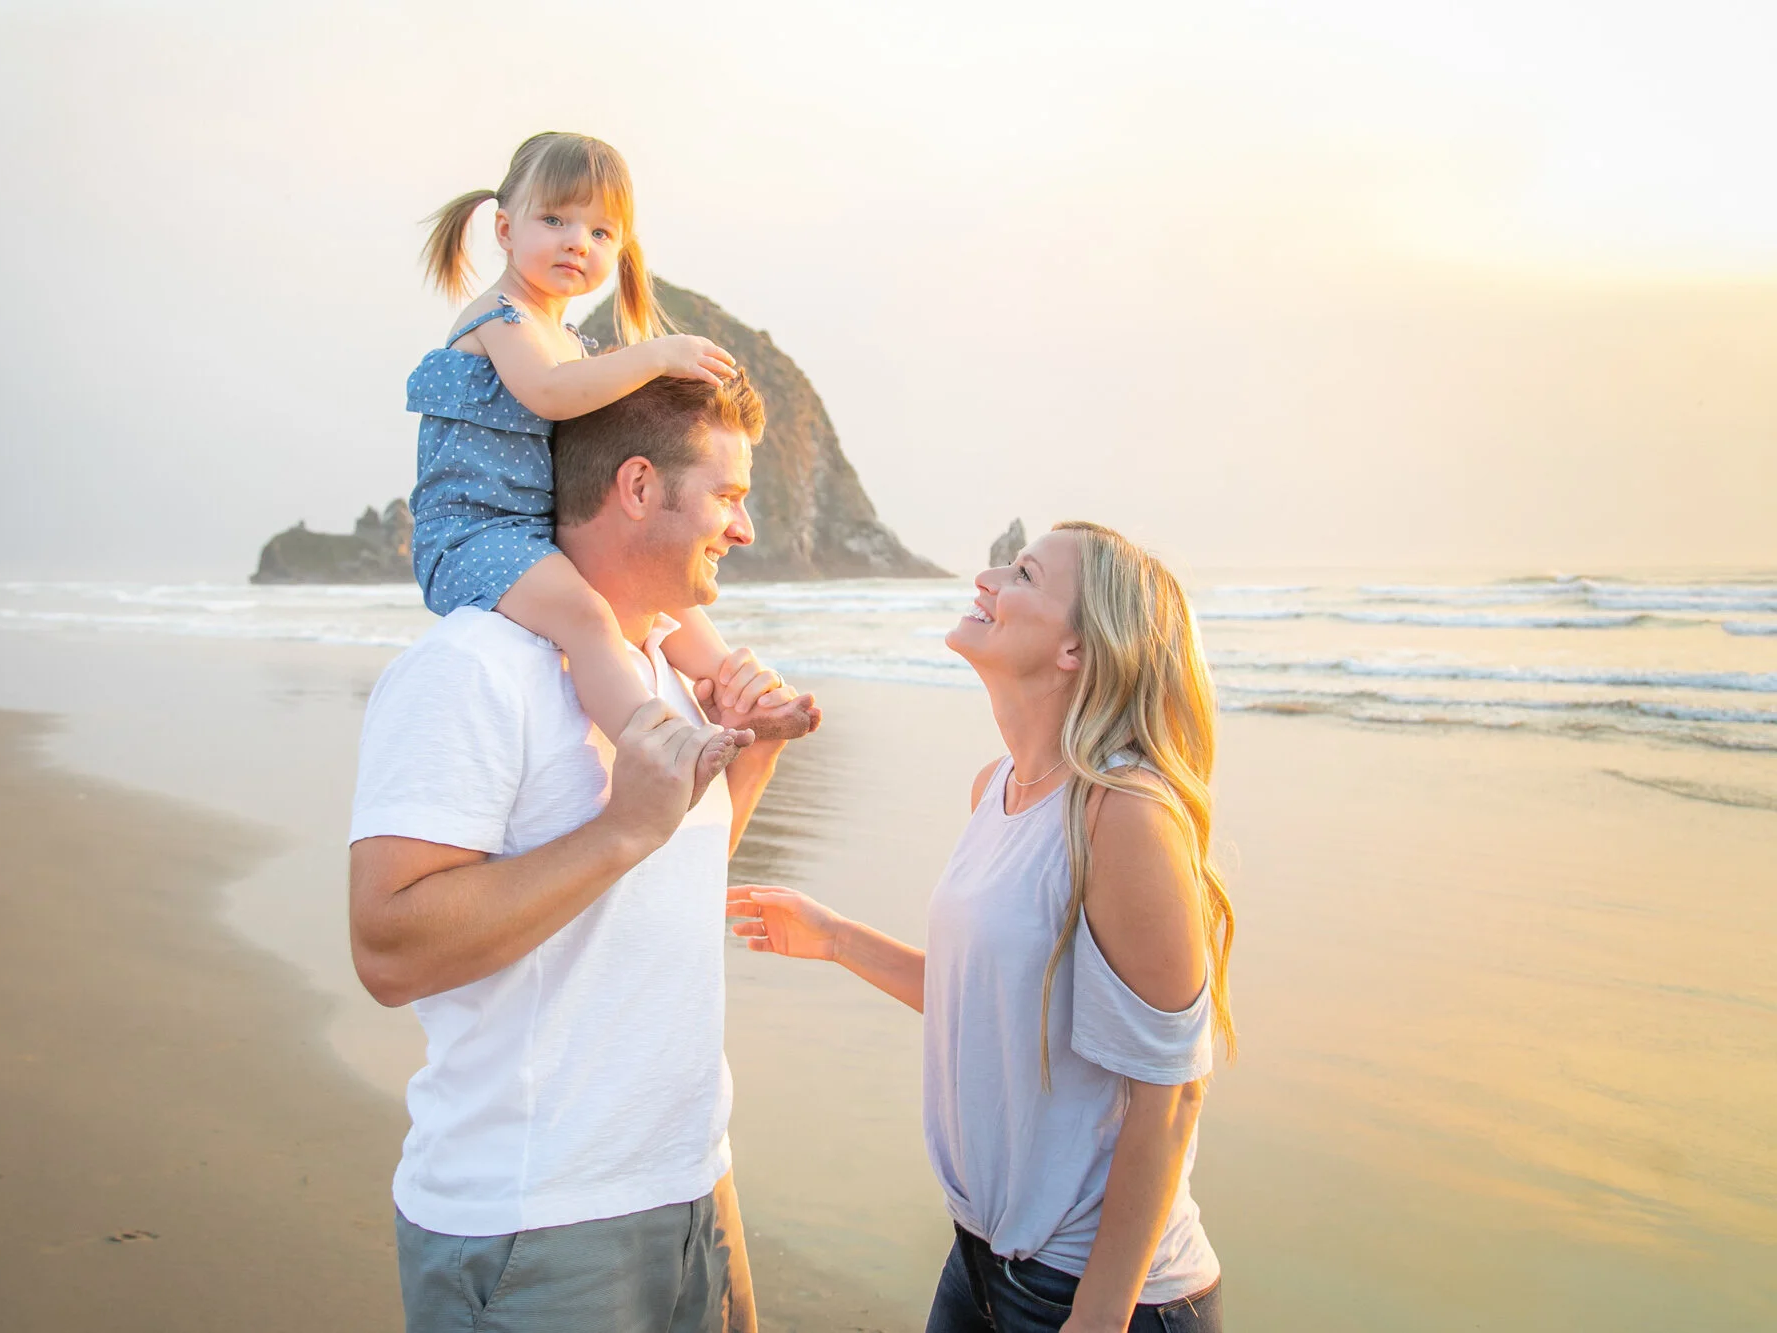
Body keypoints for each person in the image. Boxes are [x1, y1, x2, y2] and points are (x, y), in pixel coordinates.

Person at [349, 370, 819, 1333]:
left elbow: (663, 888)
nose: (745, 529)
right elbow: (388, 949)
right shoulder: (471, 669)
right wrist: (619, 829)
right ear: (639, 488)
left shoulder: (661, 672)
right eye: (729, 497)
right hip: (537, 1226)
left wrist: (754, 753)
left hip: (693, 1184)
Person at [729, 523, 1235, 1333]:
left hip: (1110, 1294)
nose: (987, 576)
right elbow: (992, 1001)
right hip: (979, 1264)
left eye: (1024, 572)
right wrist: (833, 937)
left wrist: (1098, 1316)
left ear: (1076, 648)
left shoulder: (1123, 813)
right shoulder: (994, 787)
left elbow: (1170, 1093)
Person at [411, 131, 809, 803]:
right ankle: (654, 741)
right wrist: (655, 357)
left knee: (664, 600)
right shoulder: (501, 317)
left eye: (600, 232)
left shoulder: (573, 343)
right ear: (505, 229)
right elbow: (550, 393)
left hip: (535, 530)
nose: (577, 243)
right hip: (474, 537)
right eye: (555, 220)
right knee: (589, 619)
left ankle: (736, 685)